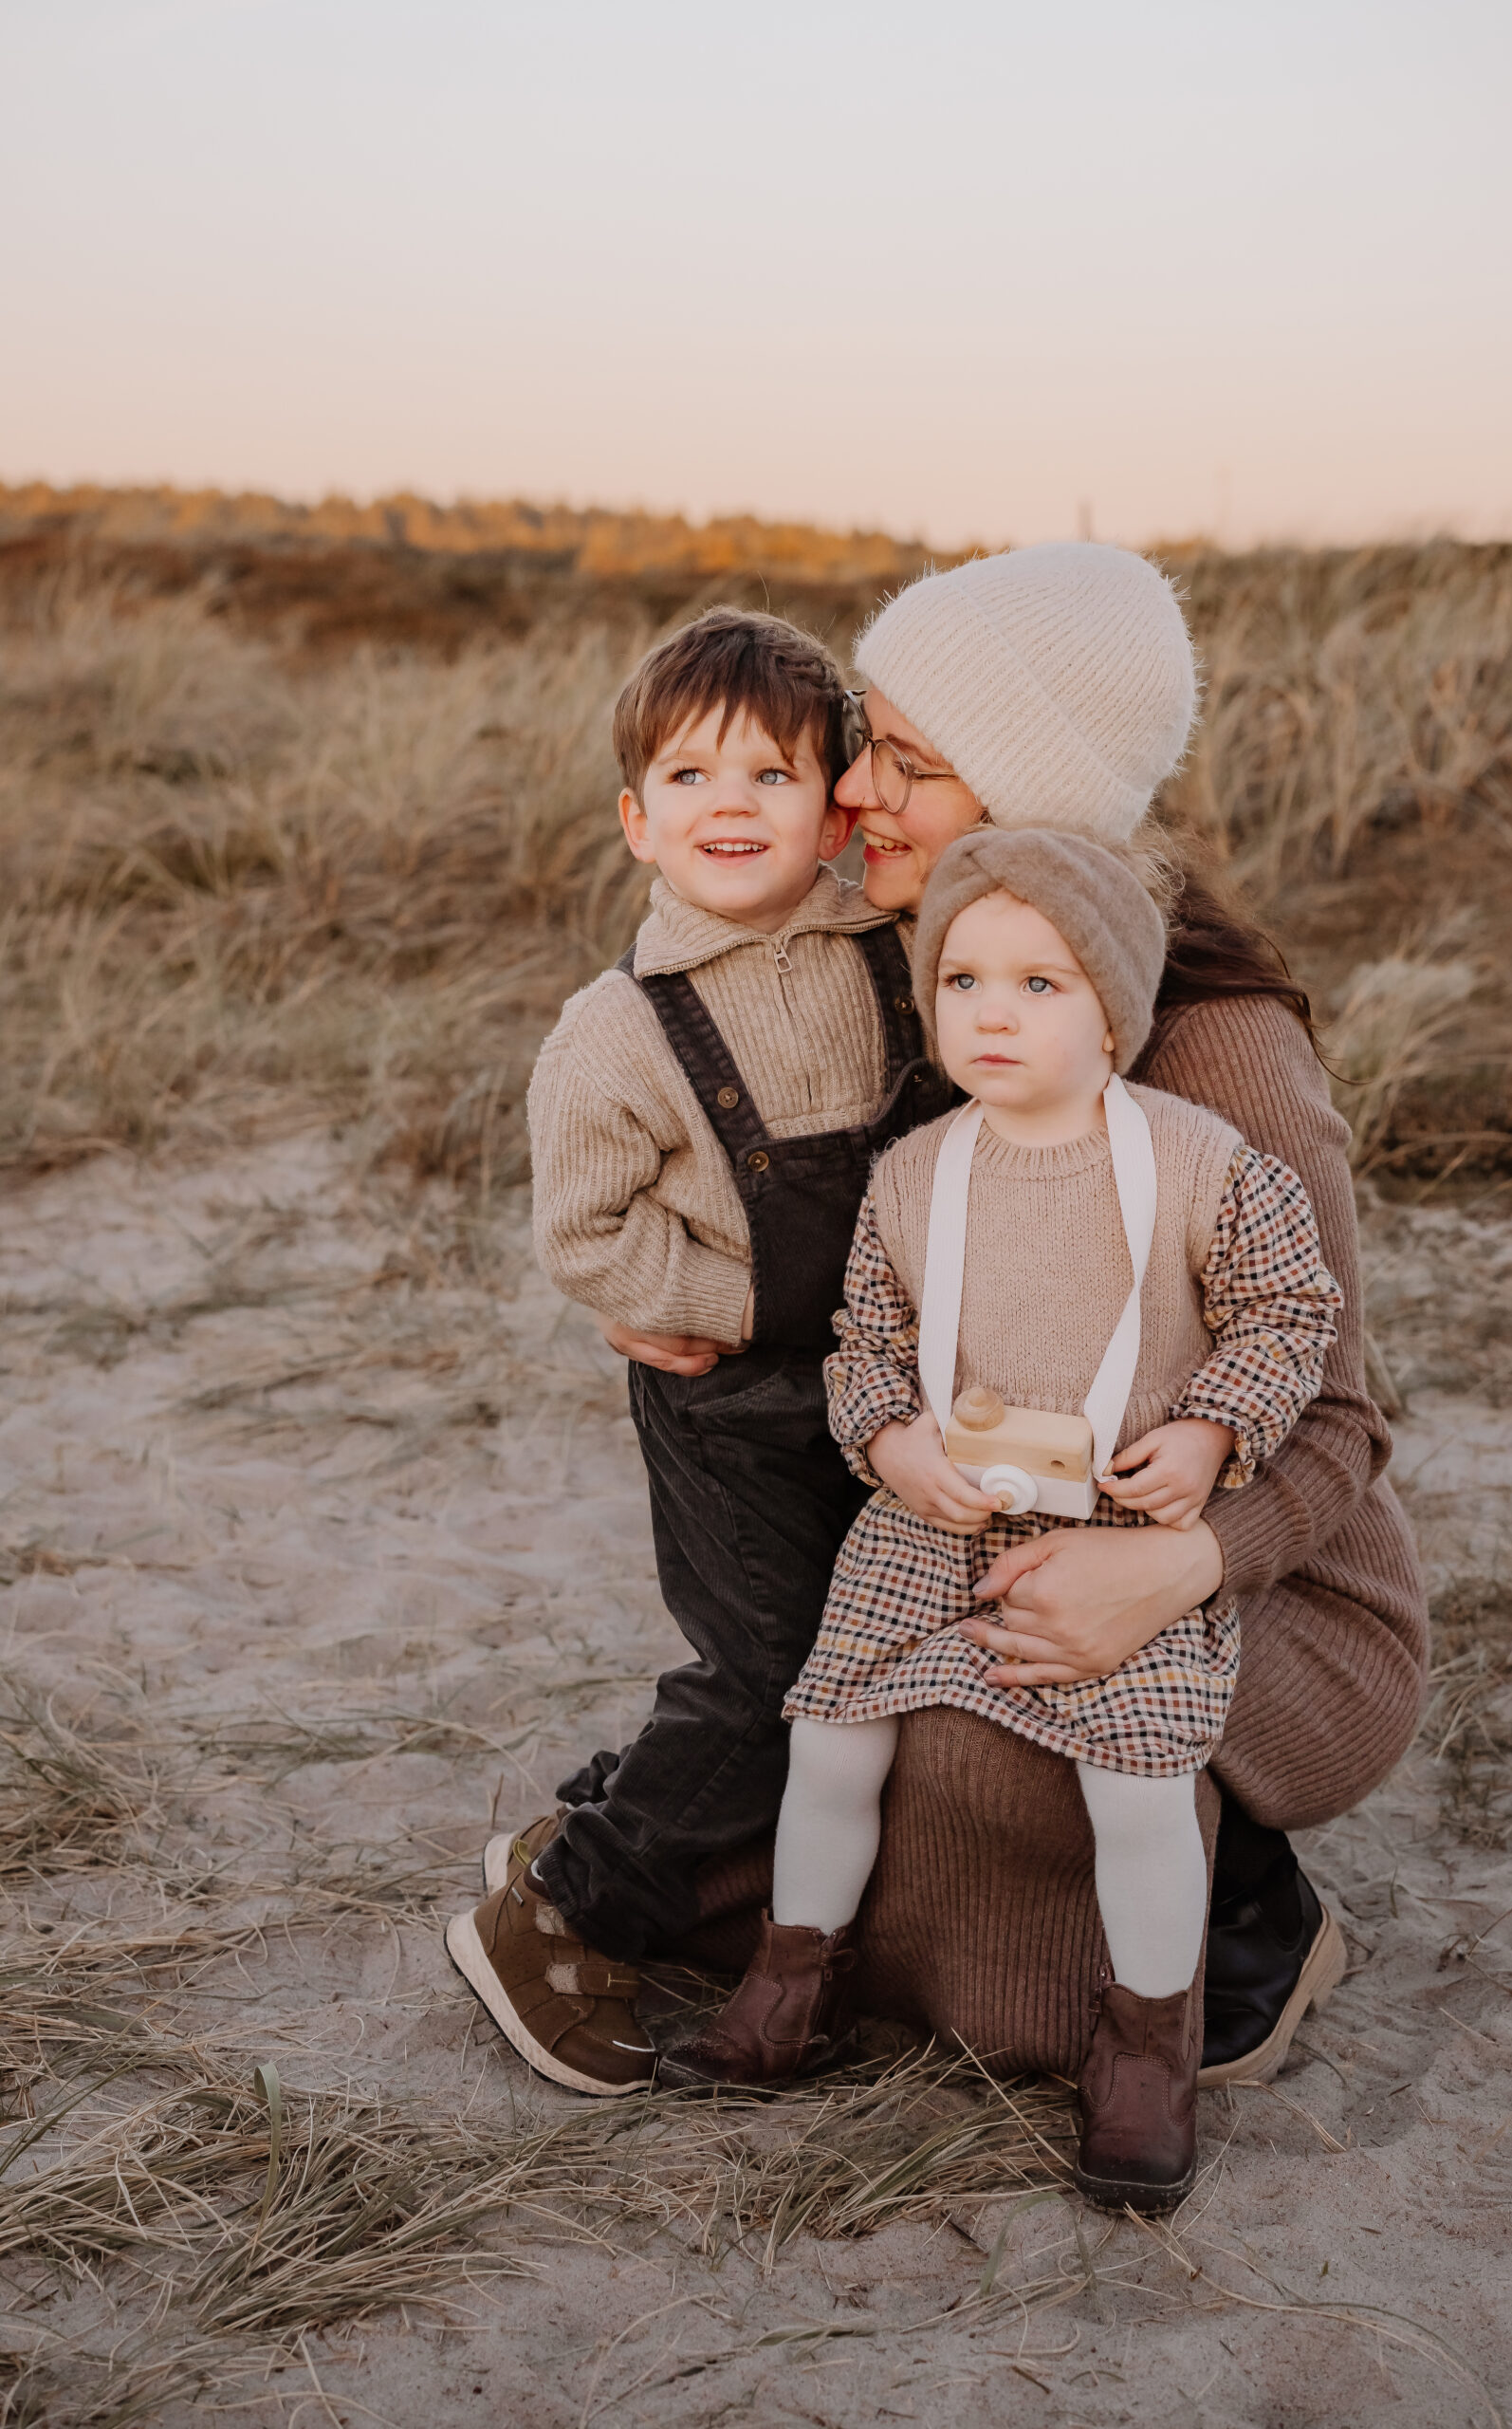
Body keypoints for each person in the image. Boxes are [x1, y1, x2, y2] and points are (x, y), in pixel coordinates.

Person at [636, 544, 1428, 2087]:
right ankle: (740, 1871)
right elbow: (868, 1266)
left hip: (1258, 1580)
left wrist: (1172, 1568)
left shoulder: (1216, 1047)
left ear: (1030, 802)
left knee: (986, 1807)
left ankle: (1247, 1906)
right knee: (836, 1727)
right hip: (987, 1516)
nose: (849, 788)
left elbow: (1336, 1414)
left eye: (907, 762)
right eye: (861, 739)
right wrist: (665, 1295)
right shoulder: (928, 968)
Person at [661, 829, 1342, 2210]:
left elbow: (1291, 1313)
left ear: (1115, 1011)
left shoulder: (1199, 1162)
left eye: (1041, 984)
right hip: (934, 1521)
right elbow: (868, 1338)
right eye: (963, 981)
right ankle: (794, 1983)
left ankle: (1146, 2043)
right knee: (832, 1742)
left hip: (1117, 1533)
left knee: (1138, 1785)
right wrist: (891, 1440)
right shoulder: (917, 1173)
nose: (992, 1012)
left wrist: (1212, 1429)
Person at [444, 605, 955, 2095]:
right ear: (637, 821)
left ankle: (603, 1815)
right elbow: (586, 1236)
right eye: (689, 777)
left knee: (866, 1662)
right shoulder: (617, 1030)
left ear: (836, 813)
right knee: (773, 1671)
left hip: (887, 1393)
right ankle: (566, 1911)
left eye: (771, 776)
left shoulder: (900, 955)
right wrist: (733, 1298)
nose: (730, 805)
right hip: (727, 1400)